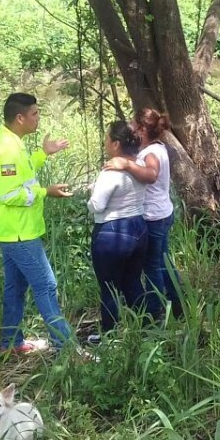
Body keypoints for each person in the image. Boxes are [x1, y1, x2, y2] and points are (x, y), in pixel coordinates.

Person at [0, 93, 75, 354]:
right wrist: (47, 192)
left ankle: (10, 343)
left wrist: (43, 153)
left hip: (15, 230)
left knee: (16, 286)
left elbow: (21, 174)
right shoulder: (7, 149)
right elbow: (9, 194)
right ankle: (65, 347)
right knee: (46, 284)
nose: (38, 118)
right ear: (19, 118)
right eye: (34, 114)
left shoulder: (13, 142)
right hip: (18, 233)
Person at [104, 108, 183, 318]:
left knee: (152, 267)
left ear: (141, 128)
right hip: (162, 212)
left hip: (153, 217)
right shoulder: (157, 147)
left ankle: (155, 312)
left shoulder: (151, 153)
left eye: (132, 124)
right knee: (163, 261)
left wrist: (127, 164)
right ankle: (178, 303)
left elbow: (151, 174)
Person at [87, 121, 150, 335]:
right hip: (138, 228)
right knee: (132, 281)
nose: (105, 143)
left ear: (115, 144)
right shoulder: (139, 164)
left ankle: (110, 334)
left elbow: (97, 205)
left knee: (109, 288)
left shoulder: (111, 170)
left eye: (107, 139)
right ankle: (146, 328)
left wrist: (91, 193)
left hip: (111, 231)